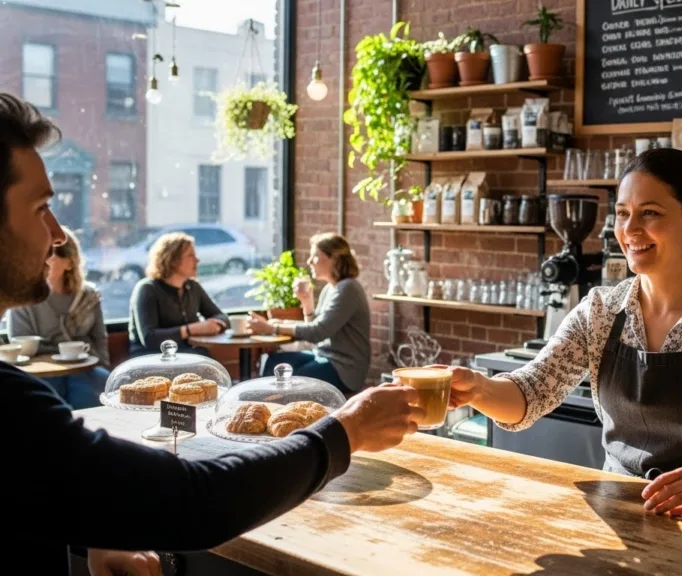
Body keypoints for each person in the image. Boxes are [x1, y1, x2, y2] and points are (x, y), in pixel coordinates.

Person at [0, 93, 423, 575]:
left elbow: (58, 484)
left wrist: (99, 521)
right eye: (39, 209)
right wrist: (347, 431)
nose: (57, 234)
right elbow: (192, 500)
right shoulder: (9, 406)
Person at [442, 148, 682, 517]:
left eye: (650, 213)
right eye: (622, 213)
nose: (630, 230)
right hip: (619, 512)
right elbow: (532, 390)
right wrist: (480, 389)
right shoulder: (599, 312)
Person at [249, 232, 370, 396]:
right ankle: (268, 408)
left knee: (292, 380)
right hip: (322, 356)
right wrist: (306, 303)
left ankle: (278, 410)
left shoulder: (348, 289)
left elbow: (317, 332)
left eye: (314, 256)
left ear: (333, 258)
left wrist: (272, 328)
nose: (309, 262)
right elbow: (314, 326)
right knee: (275, 362)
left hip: (344, 369)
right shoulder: (331, 288)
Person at [8, 225, 111, 408]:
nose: (43, 260)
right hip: (43, 372)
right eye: (40, 254)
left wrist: (97, 364)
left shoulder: (88, 296)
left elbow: (99, 340)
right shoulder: (24, 296)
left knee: (102, 385)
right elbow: (20, 345)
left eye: (51, 255)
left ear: (70, 263)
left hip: (84, 367)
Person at [127, 232, 229, 356]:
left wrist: (216, 325)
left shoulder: (193, 287)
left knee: (206, 359)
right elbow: (150, 338)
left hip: (185, 354)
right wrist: (192, 329)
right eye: (190, 255)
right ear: (172, 259)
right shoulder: (147, 289)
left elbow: (221, 316)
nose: (197, 260)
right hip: (151, 358)